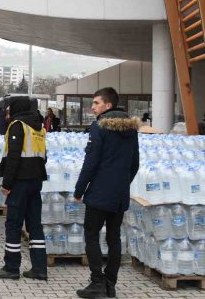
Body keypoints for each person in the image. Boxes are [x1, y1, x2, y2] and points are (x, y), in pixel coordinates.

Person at [73, 87, 139, 299]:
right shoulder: (131, 129)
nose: (92, 108)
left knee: (91, 235)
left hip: (99, 193)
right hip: (119, 194)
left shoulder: (99, 127)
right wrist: (121, 184)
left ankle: (97, 283)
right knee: (114, 237)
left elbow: (90, 163)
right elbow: (135, 164)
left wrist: (79, 190)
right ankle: (110, 284)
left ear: (108, 105)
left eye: (96, 103)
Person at [0, 96, 48, 281]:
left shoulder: (17, 125)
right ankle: (39, 268)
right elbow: (44, 156)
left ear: (16, 108)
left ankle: (11, 267)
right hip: (36, 181)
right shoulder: (39, 127)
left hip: (20, 182)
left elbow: (13, 156)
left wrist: (7, 184)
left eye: (9, 108)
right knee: (35, 225)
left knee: (13, 224)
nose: (7, 111)